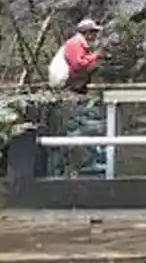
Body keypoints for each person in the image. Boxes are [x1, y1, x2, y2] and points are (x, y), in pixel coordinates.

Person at [48, 19, 106, 175]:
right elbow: (78, 64)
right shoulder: (75, 43)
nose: (94, 36)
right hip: (64, 82)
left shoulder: (82, 44)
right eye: (92, 32)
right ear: (85, 32)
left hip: (74, 86)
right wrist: (95, 57)